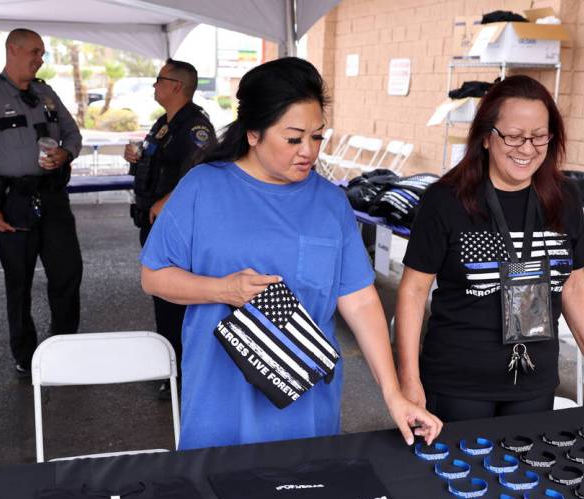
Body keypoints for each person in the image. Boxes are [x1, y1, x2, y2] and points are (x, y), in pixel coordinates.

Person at [140, 57, 442, 449]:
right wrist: (222, 290)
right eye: (294, 138)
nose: (309, 151)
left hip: (305, 404)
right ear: (253, 133)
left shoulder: (330, 203)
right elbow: (154, 275)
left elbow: (360, 299)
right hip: (219, 398)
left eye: (317, 137)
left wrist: (393, 394)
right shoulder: (204, 187)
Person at [395, 75, 584, 422]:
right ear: (486, 136)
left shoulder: (564, 198)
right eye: (514, 136)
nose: (527, 149)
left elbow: (573, 285)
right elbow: (413, 290)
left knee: (526, 473)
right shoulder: (445, 200)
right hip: (459, 382)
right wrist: (408, 381)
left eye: (539, 136)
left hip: (535, 381)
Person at [0, 28, 83, 378]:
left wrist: (65, 153)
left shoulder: (45, 93)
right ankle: (25, 355)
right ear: (12, 50)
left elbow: (72, 133)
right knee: (19, 281)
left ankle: (64, 347)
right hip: (13, 201)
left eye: (42, 53)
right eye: (33, 51)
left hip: (53, 197)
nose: (39, 59)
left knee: (68, 272)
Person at [124, 58, 216, 398]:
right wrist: (136, 158)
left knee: (176, 300)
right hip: (154, 223)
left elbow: (203, 173)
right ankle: (171, 367)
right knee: (163, 299)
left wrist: (169, 202)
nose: (154, 86)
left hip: (176, 227)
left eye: (159, 80)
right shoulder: (165, 123)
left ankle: (181, 375)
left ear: (176, 86)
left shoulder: (194, 127)